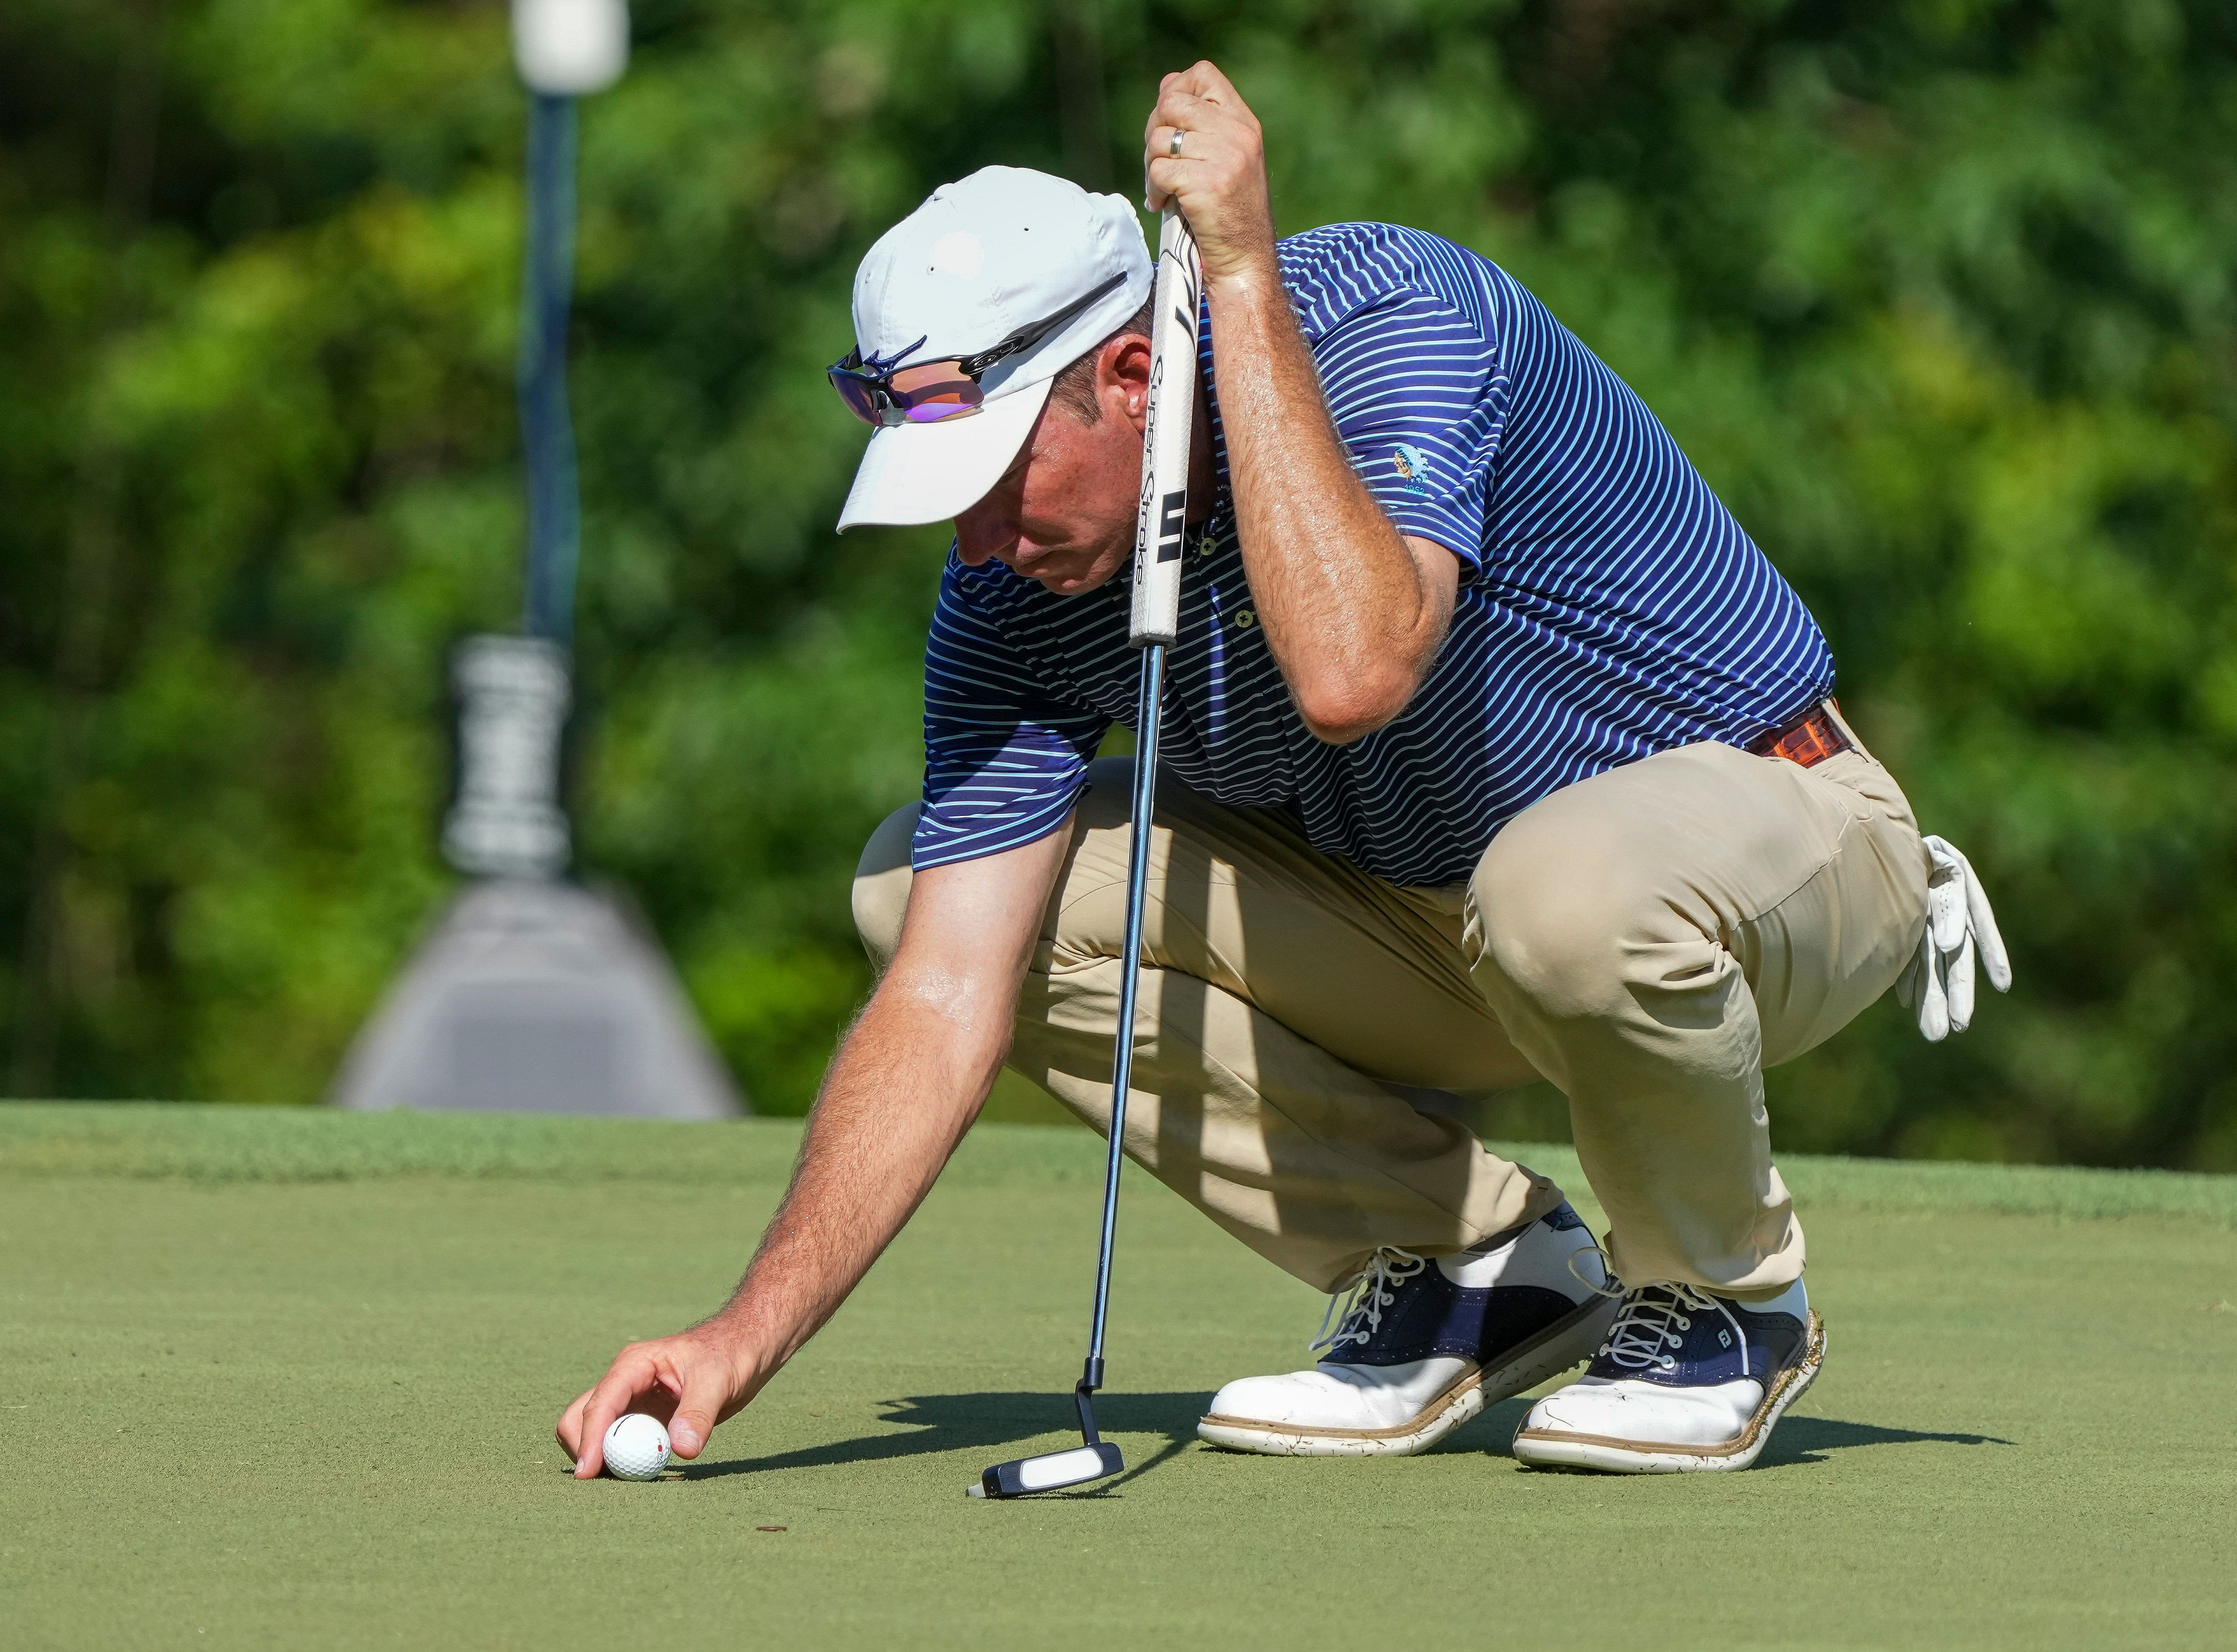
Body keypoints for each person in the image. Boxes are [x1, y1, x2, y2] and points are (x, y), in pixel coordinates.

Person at [556, 61, 2004, 1480]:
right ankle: (1472, 1262)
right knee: (912, 891)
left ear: (1131, 374)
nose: (980, 543)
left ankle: (1730, 1301)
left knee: (1557, 886)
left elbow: (1355, 673)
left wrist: (1241, 282)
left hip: (1785, 849)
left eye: (998, 482)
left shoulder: (1390, 312)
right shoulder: (1015, 594)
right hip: (1450, 929)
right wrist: (745, 1333)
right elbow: (944, 994)